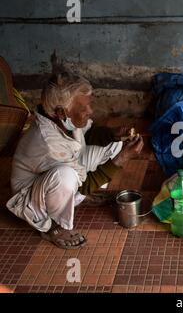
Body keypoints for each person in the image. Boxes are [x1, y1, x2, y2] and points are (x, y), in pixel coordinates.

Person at [6, 72, 144, 249]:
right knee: (65, 176)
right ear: (62, 112)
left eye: (89, 105)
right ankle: (53, 226)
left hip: (63, 175)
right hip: (33, 198)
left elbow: (87, 133)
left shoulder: (62, 121)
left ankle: (79, 199)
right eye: (84, 108)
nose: (90, 111)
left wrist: (112, 134)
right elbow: (80, 185)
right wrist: (122, 159)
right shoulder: (48, 144)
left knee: (114, 144)